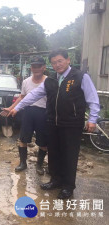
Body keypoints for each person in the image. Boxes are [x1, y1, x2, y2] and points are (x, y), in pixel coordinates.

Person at [6, 49, 100, 199]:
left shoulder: (80, 77)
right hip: (53, 123)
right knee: (54, 153)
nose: (57, 65)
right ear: (51, 65)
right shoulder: (50, 81)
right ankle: (55, 180)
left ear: (68, 60)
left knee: (69, 155)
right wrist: (17, 107)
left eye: (60, 61)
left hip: (72, 124)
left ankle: (68, 186)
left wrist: (93, 119)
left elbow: (93, 100)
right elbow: (33, 95)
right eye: (54, 63)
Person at [0, 57, 48, 175]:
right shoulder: (26, 82)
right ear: (31, 68)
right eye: (34, 67)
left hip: (43, 113)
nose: (36, 69)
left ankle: (39, 165)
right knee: (23, 139)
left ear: (44, 67)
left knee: (43, 142)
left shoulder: (49, 81)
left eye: (39, 66)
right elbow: (22, 98)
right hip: (28, 112)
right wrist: (11, 108)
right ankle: (23, 163)